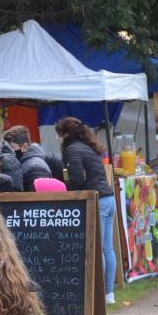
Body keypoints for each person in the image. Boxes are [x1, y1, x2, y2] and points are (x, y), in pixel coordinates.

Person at [55, 116, 117, 304]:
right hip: (108, 198)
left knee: (97, 247)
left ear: (65, 134)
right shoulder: (90, 147)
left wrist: (68, 190)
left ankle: (98, 293)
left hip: (96, 199)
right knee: (107, 247)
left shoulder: (72, 149)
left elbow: (76, 178)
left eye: (58, 134)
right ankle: (109, 294)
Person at [3, 125, 52, 191]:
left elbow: (40, 197)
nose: (8, 152)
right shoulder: (25, 163)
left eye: (11, 148)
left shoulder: (36, 167)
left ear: (25, 147)